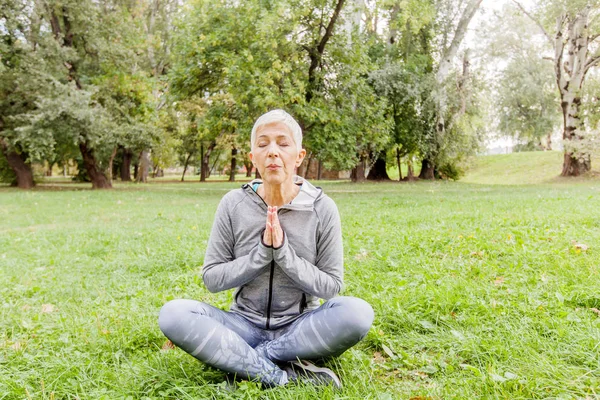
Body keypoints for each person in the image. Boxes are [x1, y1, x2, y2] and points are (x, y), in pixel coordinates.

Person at [158, 109, 374, 388]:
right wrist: (261, 253)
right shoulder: (233, 205)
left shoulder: (322, 208)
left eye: (283, 143)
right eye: (263, 144)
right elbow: (212, 279)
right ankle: (280, 376)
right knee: (174, 314)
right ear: (253, 158)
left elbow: (331, 286)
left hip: (300, 329)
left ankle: (250, 361)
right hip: (242, 326)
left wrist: (283, 252)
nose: (273, 152)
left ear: (299, 156)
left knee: (357, 313)